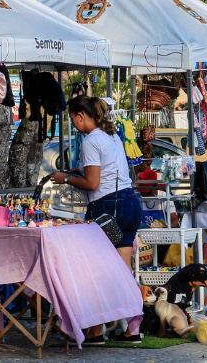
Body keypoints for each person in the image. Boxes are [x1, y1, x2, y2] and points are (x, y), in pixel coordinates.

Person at [52, 96, 141, 264]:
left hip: (109, 204)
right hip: (130, 202)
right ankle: (129, 291)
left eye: (72, 119)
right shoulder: (112, 135)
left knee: (100, 264)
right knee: (122, 267)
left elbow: (92, 184)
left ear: (81, 116)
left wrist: (65, 178)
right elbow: (108, 165)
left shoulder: (91, 140)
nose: (74, 124)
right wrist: (80, 169)